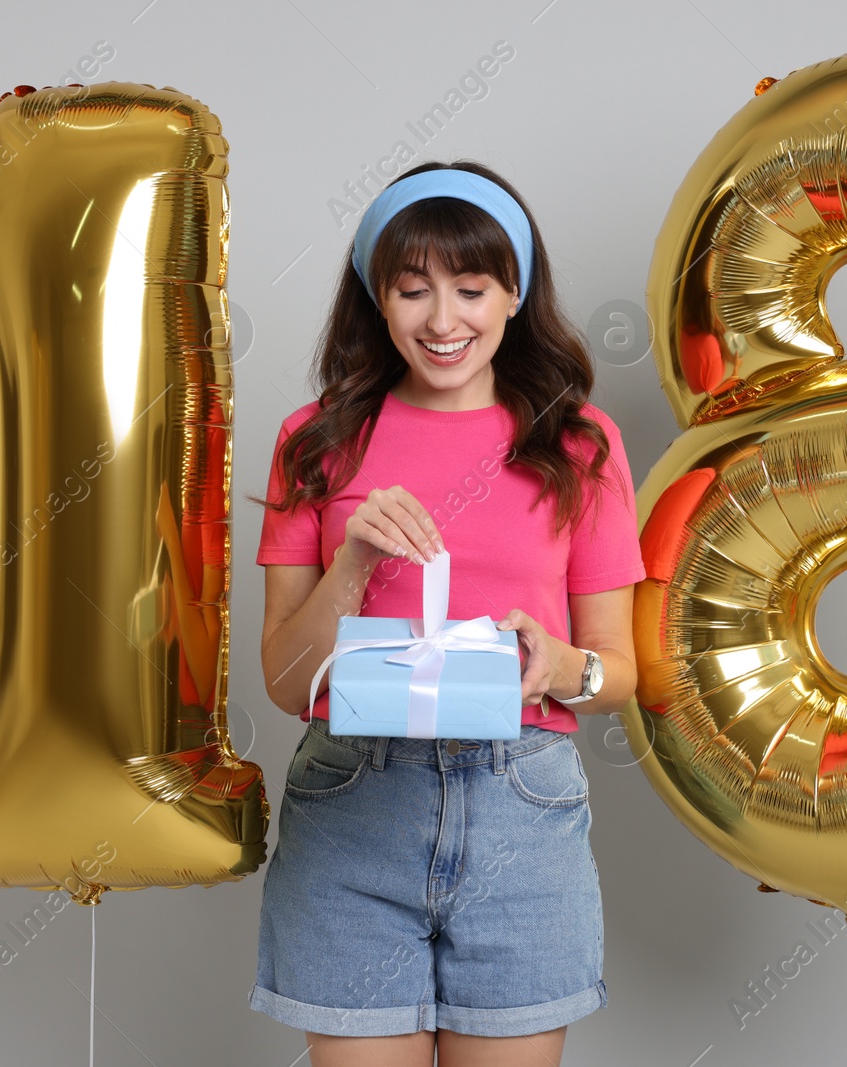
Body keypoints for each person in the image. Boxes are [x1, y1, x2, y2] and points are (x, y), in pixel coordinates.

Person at [246, 159, 646, 1067]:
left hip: (523, 804)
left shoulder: (578, 444)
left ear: (515, 293)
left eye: (470, 288)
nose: (442, 320)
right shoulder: (318, 441)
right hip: (353, 802)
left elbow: (621, 670)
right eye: (412, 289)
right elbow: (281, 681)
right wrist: (352, 563)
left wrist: (558, 664)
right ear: (377, 300)